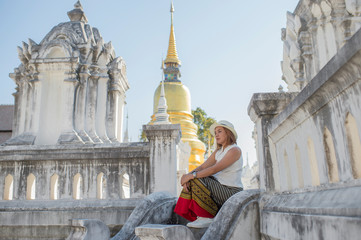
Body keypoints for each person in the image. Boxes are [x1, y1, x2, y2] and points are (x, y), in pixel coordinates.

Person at [174, 120, 243, 228]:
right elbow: (202, 167)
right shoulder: (218, 151)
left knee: (196, 179)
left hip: (231, 191)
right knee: (194, 178)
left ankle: (207, 217)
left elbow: (213, 169)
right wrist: (187, 176)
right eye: (215, 132)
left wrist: (191, 176)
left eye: (219, 131)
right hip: (219, 188)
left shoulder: (234, 150)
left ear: (228, 133)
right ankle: (200, 216)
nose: (216, 135)